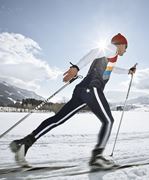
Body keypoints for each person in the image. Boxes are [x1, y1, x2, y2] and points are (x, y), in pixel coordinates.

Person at [10, 33, 136, 169]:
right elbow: (94, 52)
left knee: (58, 119)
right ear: (121, 44)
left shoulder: (111, 59)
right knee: (108, 120)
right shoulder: (112, 49)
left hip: (82, 90)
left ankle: (24, 143)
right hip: (92, 89)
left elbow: (112, 70)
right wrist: (76, 68)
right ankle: (97, 157)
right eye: (126, 47)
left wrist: (128, 71)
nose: (125, 50)